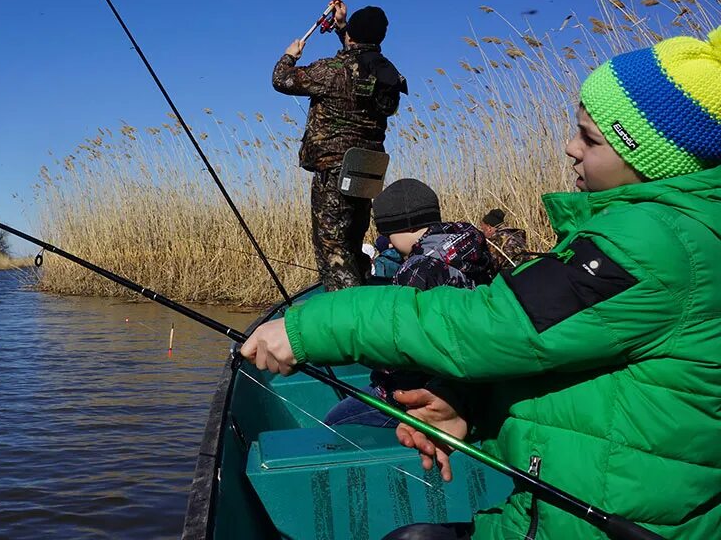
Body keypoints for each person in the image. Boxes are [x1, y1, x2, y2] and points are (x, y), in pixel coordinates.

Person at [242, 29, 721, 540]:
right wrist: (472, 410)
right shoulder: (684, 233)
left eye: (590, 137)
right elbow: (607, 388)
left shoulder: (654, 242)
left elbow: (492, 327)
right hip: (590, 507)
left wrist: (308, 325)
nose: (569, 148)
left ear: (649, 156)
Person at [323, 179, 497, 427]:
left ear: (402, 226)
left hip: (418, 394)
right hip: (469, 383)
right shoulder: (469, 244)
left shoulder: (416, 269)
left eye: (389, 234)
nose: (391, 243)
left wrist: (359, 346)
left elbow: (397, 345)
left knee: (335, 420)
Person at [272, 0, 407, 291]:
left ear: (352, 36)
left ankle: (347, 313)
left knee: (332, 246)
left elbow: (281, 80)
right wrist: (343, 27)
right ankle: (362, 297)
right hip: (367, 169)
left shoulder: (331, 70)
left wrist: (290, 55)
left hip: (334, 169)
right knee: (353, 239)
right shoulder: (388, 74)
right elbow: (360, 60)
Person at [479, 207, 528, 272]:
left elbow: (491, 266)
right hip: (527, 269)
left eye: (483, 229)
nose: (483, 233)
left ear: (489, 228)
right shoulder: (516, 234)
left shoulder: (495, 240)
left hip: (512, 276)